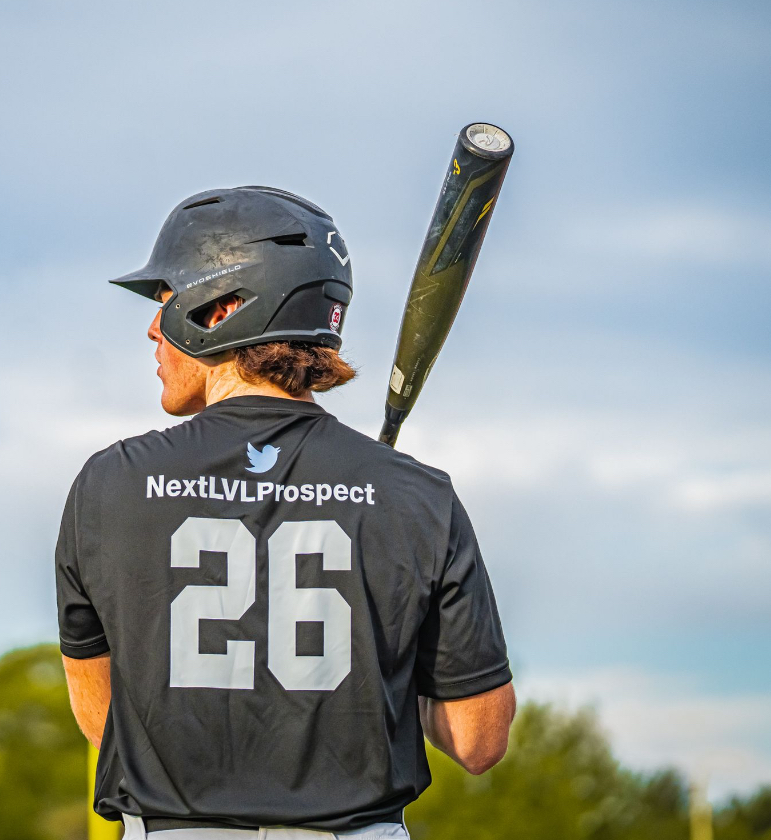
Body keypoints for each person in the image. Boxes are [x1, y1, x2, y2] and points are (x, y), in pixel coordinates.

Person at [55, 186, 516, 839]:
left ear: (220, 308)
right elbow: (478, 738)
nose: (154, 328)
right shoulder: (418, 495)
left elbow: (103, 720)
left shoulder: (111, 483)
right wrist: (383, 668)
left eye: (165, 300)